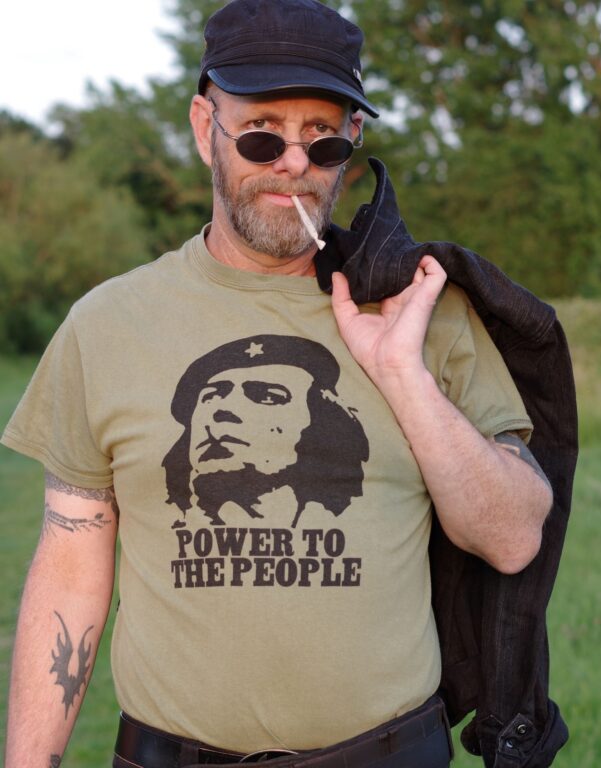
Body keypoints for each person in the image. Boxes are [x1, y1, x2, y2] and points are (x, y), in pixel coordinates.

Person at [1, 1, 555, 766]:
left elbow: (513, 536)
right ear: (206, 129)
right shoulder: (108, 325)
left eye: (321, 138)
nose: (292, 162)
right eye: (262, 132)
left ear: (350, 145)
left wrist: (401, 372)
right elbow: (69, 569)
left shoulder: (421, 310)